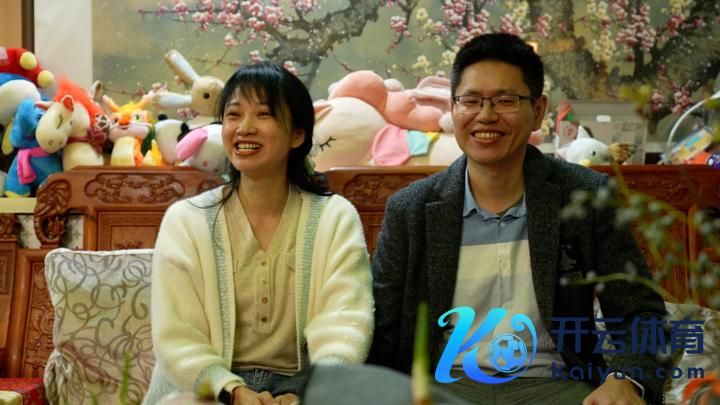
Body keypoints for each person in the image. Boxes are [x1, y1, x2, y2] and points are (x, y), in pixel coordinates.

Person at [368, 33, 668, 405]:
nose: (486, 115)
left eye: (505, 100)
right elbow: (381, 327)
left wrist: (627, 379)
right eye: (471, 101)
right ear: (453, 108)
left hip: (557, 385)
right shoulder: (410, 210)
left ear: (538, 110)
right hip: (443, 388)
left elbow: (640, 311)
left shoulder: (586, 196)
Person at [143, 61, 374, 405]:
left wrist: (307, 393)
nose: (244, 128)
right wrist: (233, 392)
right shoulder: (187, 220)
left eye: (263, 114)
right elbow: (176, 335)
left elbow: (346, 323)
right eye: (233, 115)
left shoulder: (335, 218)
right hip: (209, 390)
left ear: (297, 135)